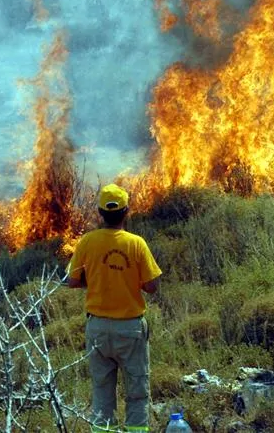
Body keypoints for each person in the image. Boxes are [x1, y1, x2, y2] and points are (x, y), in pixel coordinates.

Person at [66, 184, 162, 433]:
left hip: (97, 328)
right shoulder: (136, 243)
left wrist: (96, 278)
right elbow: (152, 286)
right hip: (130, 330)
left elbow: (72, 280)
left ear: (100, 212)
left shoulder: (87, 242)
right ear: (126, 211)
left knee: (101, 393)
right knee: (137, 392)